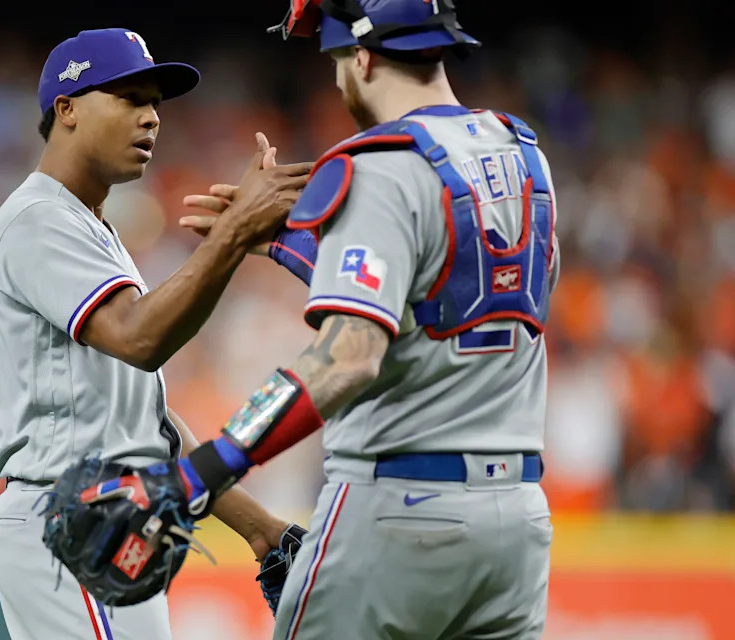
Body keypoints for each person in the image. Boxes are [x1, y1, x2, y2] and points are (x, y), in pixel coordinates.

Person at [89, 1, 562, 638]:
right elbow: (448, 299)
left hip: (396, 510)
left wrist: (200, 473)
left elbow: (349, 357)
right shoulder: (523, 152)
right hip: (518, 524)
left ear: (362, 57)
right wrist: (291, 245)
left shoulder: (379, 163)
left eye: (338, 61)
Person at [0, 27, 314, 640]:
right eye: (129, 97)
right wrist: (236, 232)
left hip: (108, 521)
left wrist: (258, 527)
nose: (151, 117)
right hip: (69, 521)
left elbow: (145, 424)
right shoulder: (39, 219)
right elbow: (140, 338)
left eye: (155, 102)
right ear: (67, 108)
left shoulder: (88, 227)